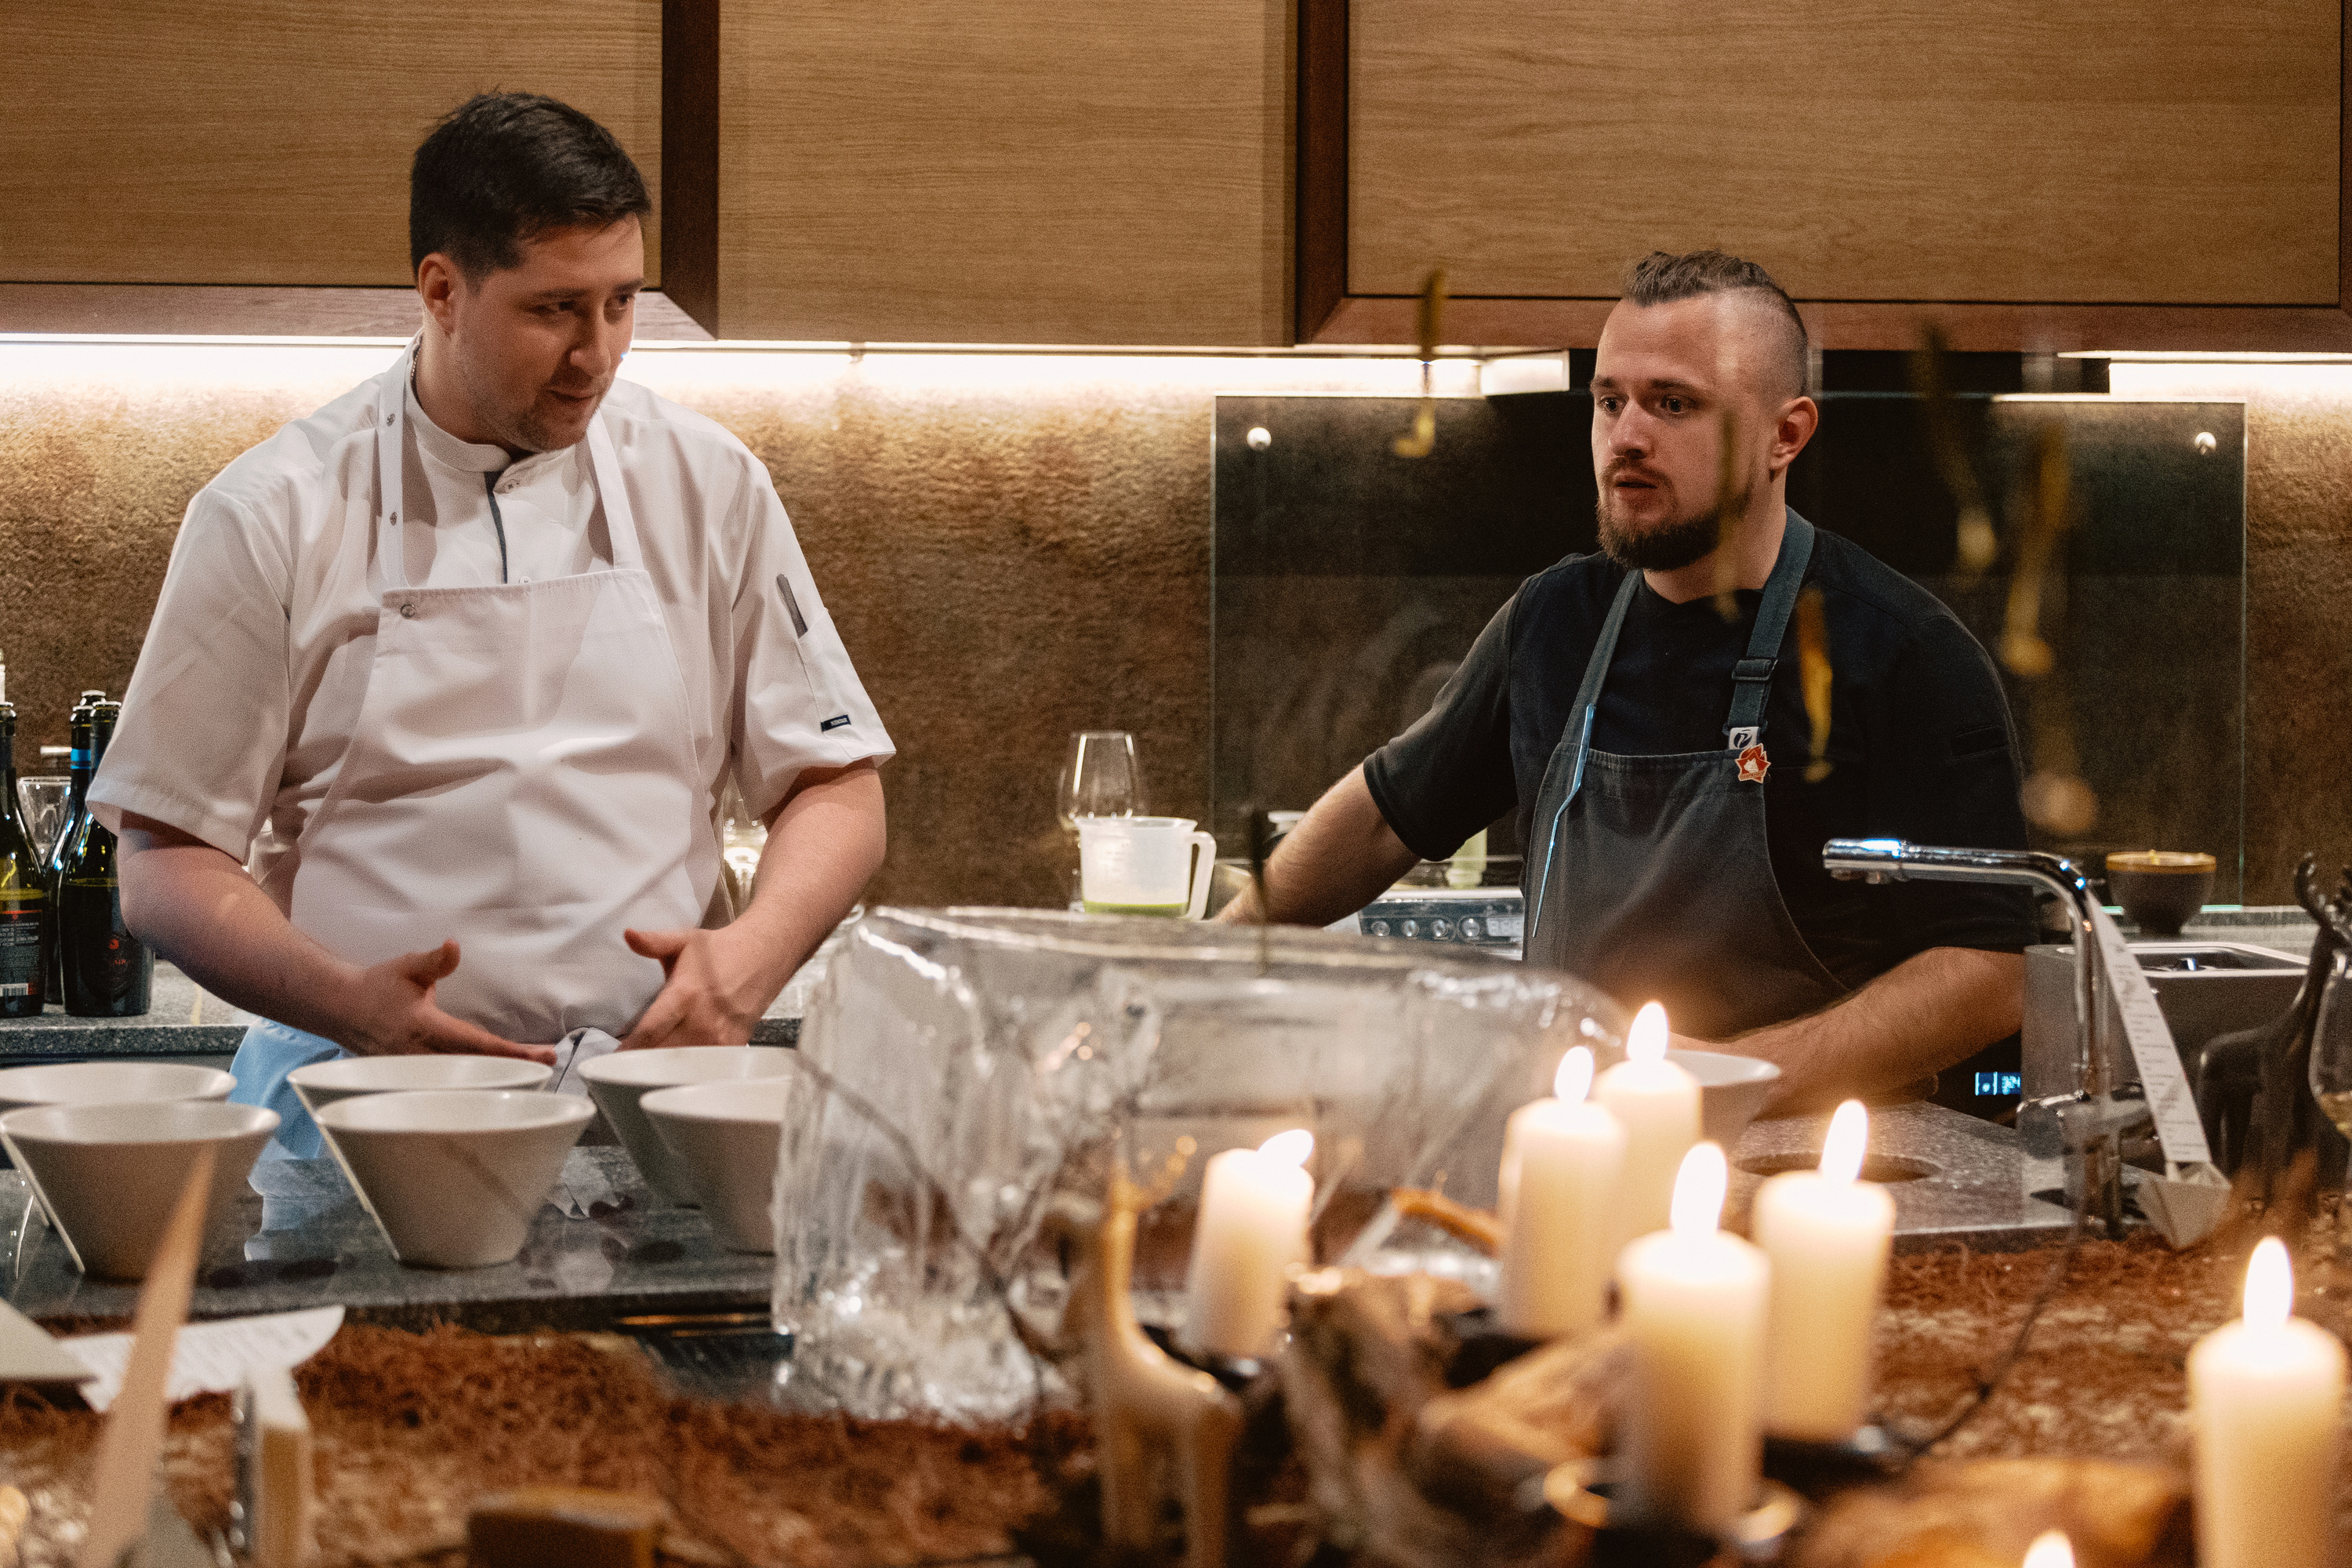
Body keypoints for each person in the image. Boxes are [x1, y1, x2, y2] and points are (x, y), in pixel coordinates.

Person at [89, 93, 891, 1156]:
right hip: (355, 1114)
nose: (598, 354)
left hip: (649, 1113)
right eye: (555, 309)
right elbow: (165, 862)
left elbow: (835, 783)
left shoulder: (710, 484)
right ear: (442, 291)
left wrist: (749, 962)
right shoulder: (271, 511)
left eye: (621, 303)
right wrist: (348, 1003)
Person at [1222, 250, 2033, 1111]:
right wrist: (1209, 953)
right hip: (1574, 1135)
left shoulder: (1904, 652)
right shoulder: (1553, 621)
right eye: (1610, 401)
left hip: (1806, 1156)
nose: (1627, 437)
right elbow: (1381, 819)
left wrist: (1739, 1078)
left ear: (1786, 436)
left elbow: (1990, 969)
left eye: (1673, 404)